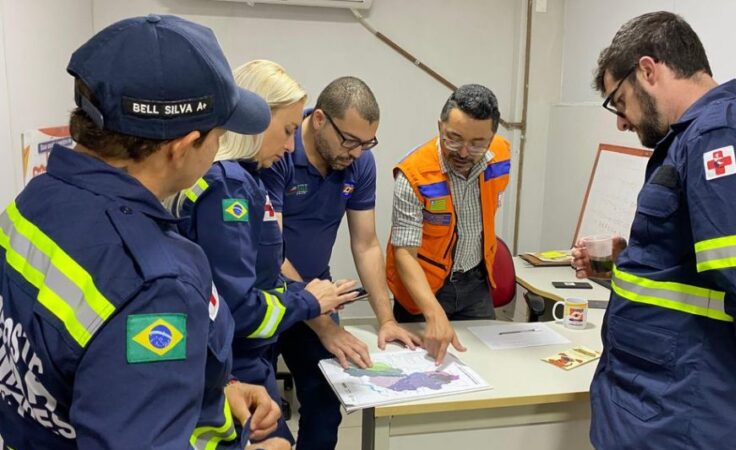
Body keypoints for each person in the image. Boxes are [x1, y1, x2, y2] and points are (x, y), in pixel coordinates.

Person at [0, 15, 280, 450]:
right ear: (182, 147)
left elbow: (83, 367)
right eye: (219, 134)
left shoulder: (34, 203)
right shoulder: (158, 284)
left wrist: (210, 390)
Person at [570, 11, 736, 450]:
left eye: (619, 102)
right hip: (655, 400)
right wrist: (632, 262)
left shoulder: (723, 139)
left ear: (648, 70)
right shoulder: (692, 139)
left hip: (680, 413)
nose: (620, 121)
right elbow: (704, 269)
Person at [171, 60, 359, 450]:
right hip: (233, 365)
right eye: (288, 130)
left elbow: (262, 276)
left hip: (247, 361)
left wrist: (305, 297)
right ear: (254, 119)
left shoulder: (246, 180)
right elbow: (238, 310)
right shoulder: (229, 188)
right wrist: (308, 300)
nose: (291, 146)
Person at [261, 76, 421, 450]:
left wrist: (387, 319)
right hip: (269, 294)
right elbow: (272, 253)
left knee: (325, 402)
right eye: (349, 140)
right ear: (319, 119)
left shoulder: (359, 164)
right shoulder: (279, 154)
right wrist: (326, 327)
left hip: (320, 291)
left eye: (367, 143)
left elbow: (365, 244)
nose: (357, 152)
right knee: (264, 414)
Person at [386, 84, 512, 364]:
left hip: (475, 283)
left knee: (485, 366)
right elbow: (405, 253)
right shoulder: (413, 174)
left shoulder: (502, 156)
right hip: (424, 290)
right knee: (420, 370)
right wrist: (433, 312)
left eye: (478, 143)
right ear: (440, 126)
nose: (464, 152)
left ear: (492, 138)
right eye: (454, 138)